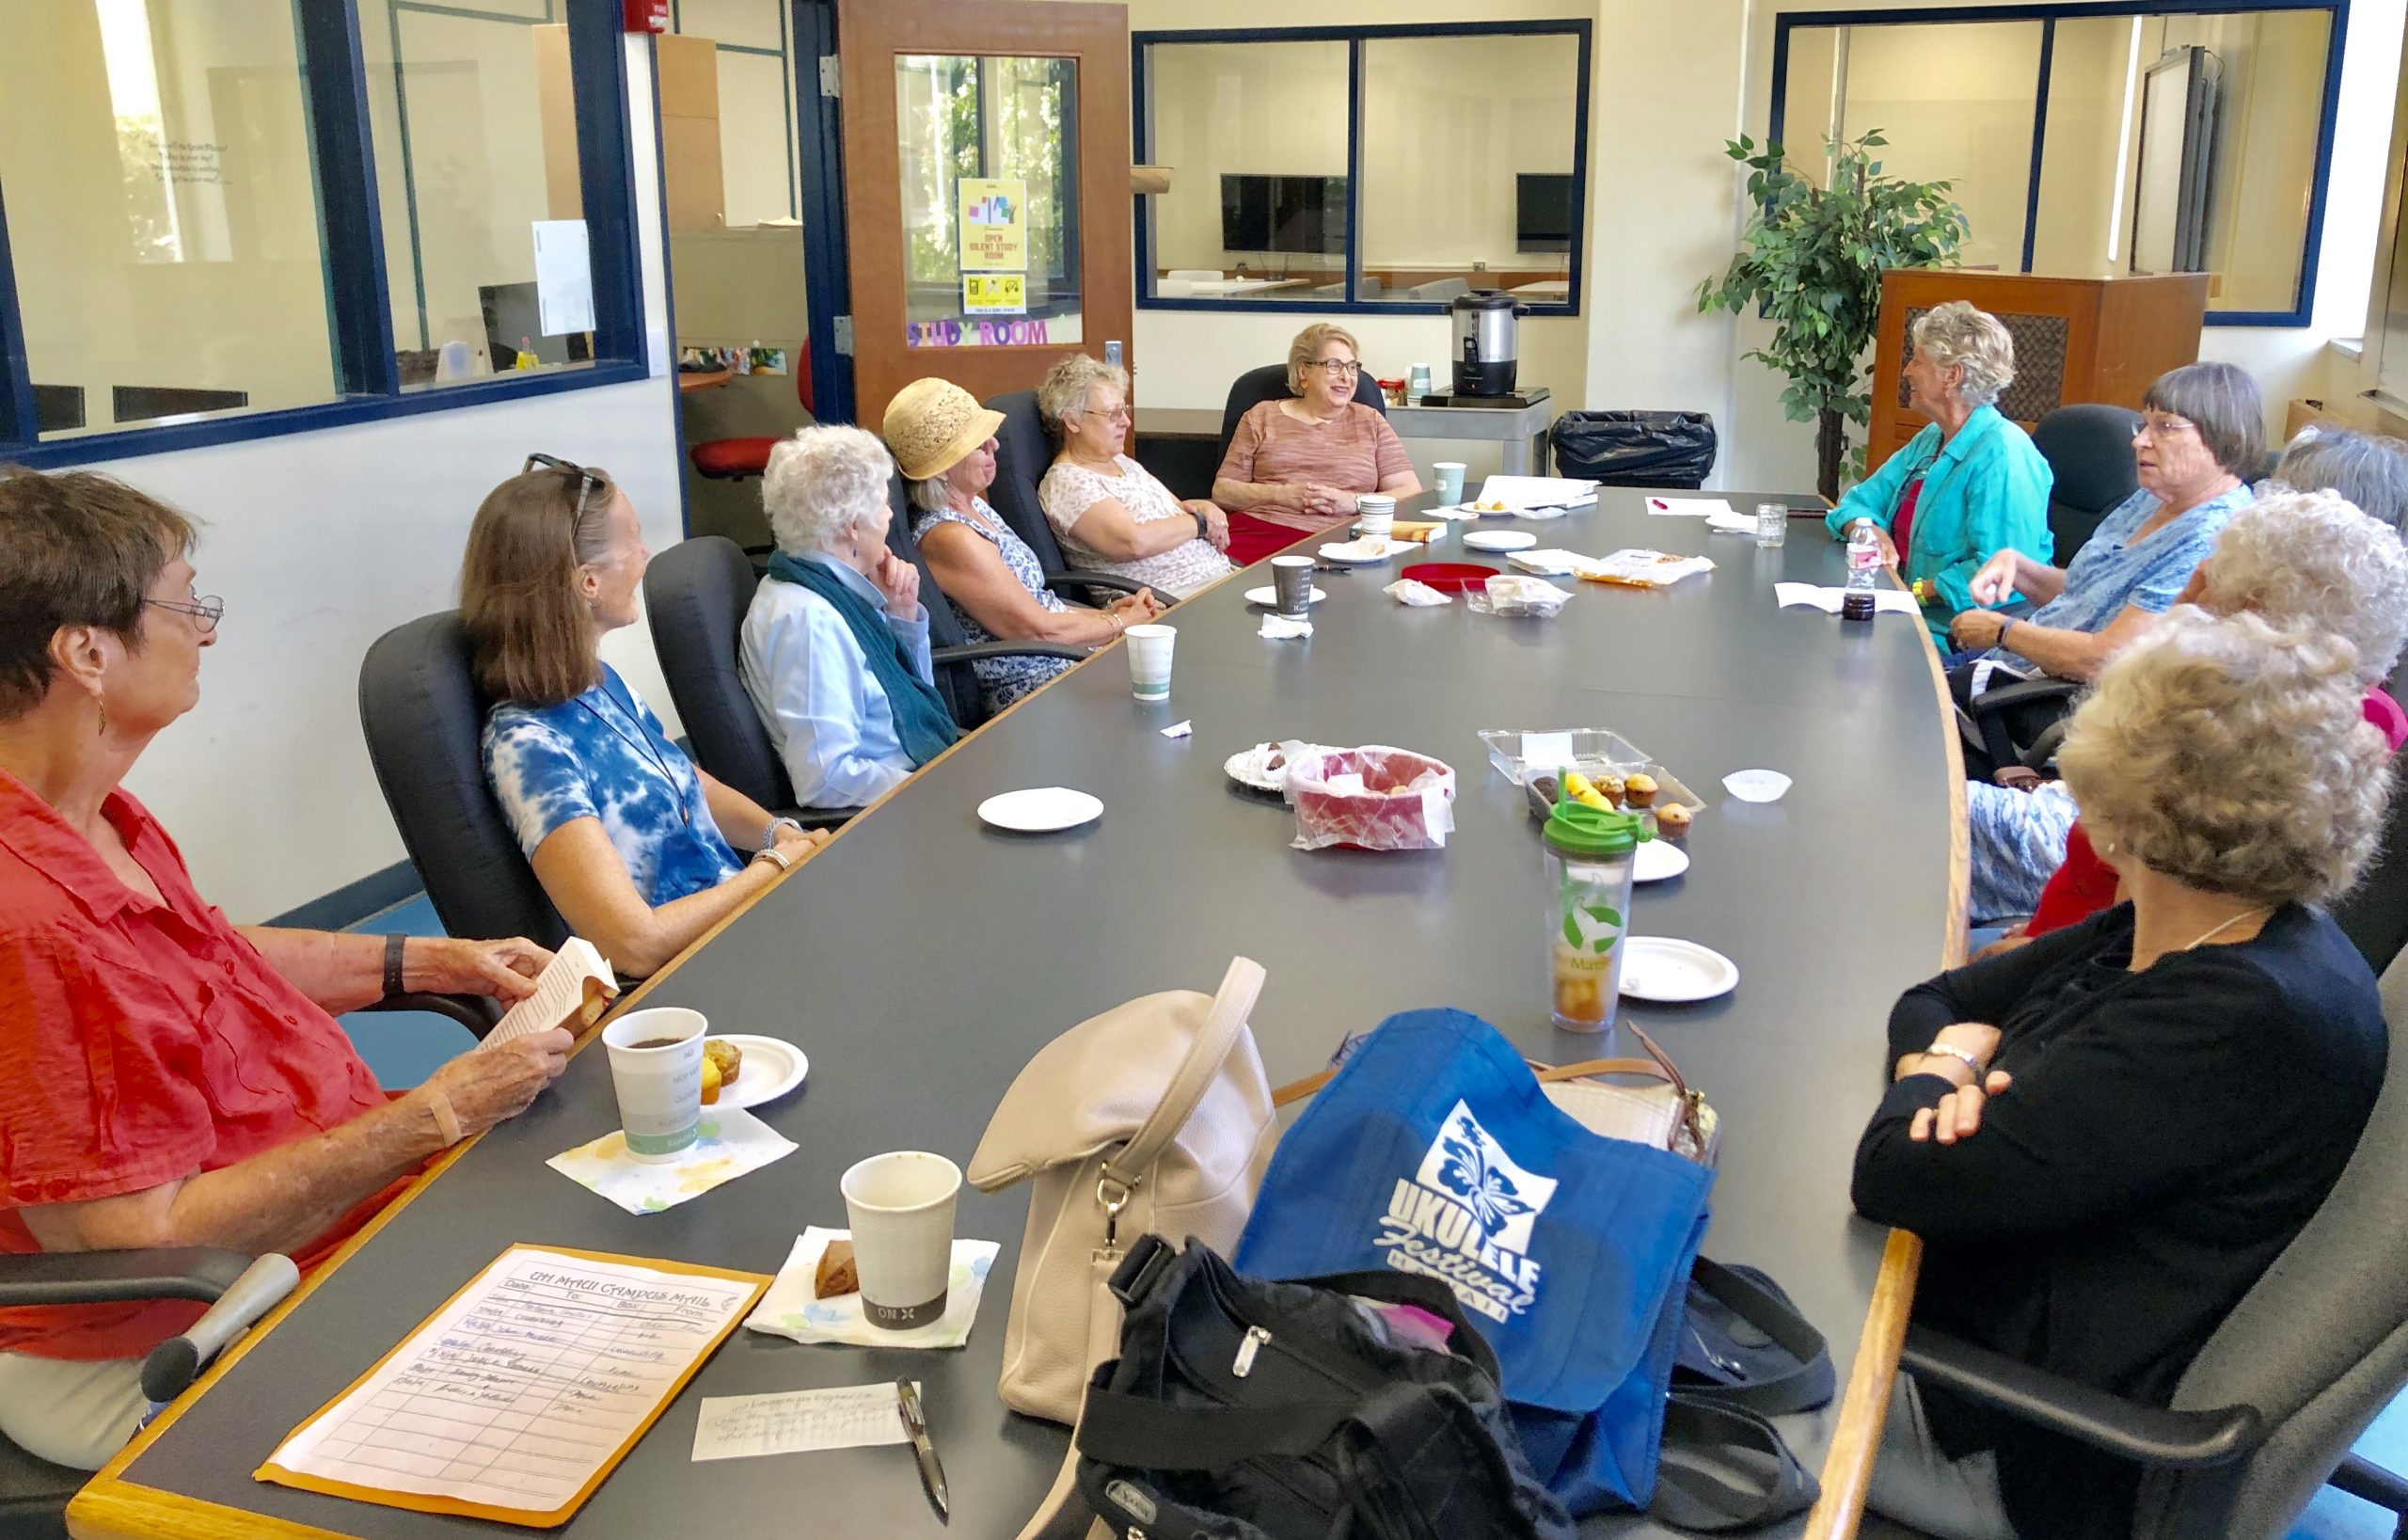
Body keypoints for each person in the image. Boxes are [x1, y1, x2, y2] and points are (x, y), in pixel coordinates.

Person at [0, 467, 575, 1470]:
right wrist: (426, 1118)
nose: (206, 631)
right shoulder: (29, 923)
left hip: (310, 1225)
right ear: (86, 651)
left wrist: (438, 958)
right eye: (184, 605)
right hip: (177, 1326)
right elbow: (142, 1236)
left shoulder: (93, 818)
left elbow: (208, 953)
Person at [1855, 609, 2389, 1540]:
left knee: (1654, 1345)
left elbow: (1895, 1172)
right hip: (1977, 1314)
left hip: (2003, 1433)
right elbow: (1936, 995)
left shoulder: (2232, 1020)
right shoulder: (2204, 914)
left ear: (2125, 809)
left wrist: (1951, 1056)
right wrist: (1950, 1061)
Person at [1972, 485, 2408, 927]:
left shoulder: (2223, 716)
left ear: (2253, 613)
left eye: (2211, 578)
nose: (2196, 587)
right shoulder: (2369, 716)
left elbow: (2119, 887)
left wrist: (2174, 643)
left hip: (2080, 932)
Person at [466, 456, 828, 978]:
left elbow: (687, 781)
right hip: (686, 981)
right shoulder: (529, 746)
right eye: (632, 541)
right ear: (587, 582)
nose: (645, 554)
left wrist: (777, 834)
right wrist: (776, 866)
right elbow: (635, 944)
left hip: (737, 928)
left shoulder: (598, 681)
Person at [1946, 360, 2262, 779]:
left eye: (2165, 427)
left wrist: (2003, 631)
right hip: (2016, 671)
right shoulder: (2155, 498)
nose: (2141, 442)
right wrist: (2020, 567)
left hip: (2050, 707)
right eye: (2144, 425)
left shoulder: (2211, 536)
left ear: (2223, 437)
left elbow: (2105, 659)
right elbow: (2090, 595)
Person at [885, 377, 1163, 717]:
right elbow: (1036, 628)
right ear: (942, 468)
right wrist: (1121, 625)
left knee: (1168, 665)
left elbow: (1038, 602)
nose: (994, 445)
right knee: (1160, 686)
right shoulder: (949, 536)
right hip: (1033, 683)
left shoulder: (974, 506)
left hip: (1060, 656)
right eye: (977, 444)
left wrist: (1113, 614)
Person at [743, 424, 959, 811]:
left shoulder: (836, 589)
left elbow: (915, 703)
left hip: (916, 781)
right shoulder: (810, 620)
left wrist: (903, 617)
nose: (891, 514)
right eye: (882, 503)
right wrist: (938, 787)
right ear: (852, 526)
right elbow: (825, 778)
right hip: (897, 810)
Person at [1823, 302, 2053, 644]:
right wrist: (1867, 530)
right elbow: (1857, 503)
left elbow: (2000, 573)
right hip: (1897, 613)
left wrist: (1910, 591)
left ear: (1952, 375)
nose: (1907, 371)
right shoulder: (1933, 437)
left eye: (1917, 360)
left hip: (1950, 636)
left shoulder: (2004, 455)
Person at [1212, 323, 1422, 565]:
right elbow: (1223, 491)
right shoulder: (1261, 416)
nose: (1347, 376)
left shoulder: (1369, 420)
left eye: (1352, 367)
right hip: (1258, 533)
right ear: (1304, 371)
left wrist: (1353, 502)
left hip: (1340, 542)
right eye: (1334, 366)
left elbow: (1410, 491)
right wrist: (1280, 495)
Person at [1038, 354, 1236, 597]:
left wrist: (1206, 508)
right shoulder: (1067, 481)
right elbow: (1133, 542)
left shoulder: (1121, 462)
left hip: (1214, 582)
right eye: (1113, 414)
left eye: (1125, 410)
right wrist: (1201, 524)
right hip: (1169, 601)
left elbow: (1179, 508)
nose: (1126, 421)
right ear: (1073, 421)